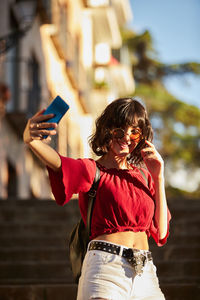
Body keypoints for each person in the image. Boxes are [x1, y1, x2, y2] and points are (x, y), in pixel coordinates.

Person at [23, 97, 171, 300]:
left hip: (145, 272)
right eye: (119, 130)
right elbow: (59, 163)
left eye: (134, 132)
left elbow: (161, 232)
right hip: (105, 267)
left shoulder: (145, 176)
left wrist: (158, 176)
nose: (126, 137)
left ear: (142, 137)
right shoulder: (92, 170)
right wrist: (31, 140)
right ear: (107, 130)